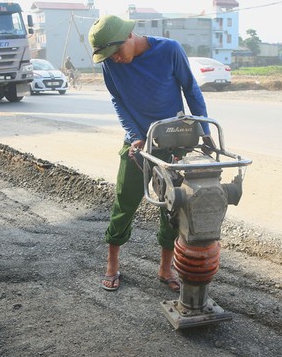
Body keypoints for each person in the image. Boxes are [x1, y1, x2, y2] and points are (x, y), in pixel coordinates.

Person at [89, 15, 213, 292]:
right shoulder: (110, 63)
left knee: (172, 207)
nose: (116, 59)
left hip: (174, 140)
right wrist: (135, 137)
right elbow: (118, 101)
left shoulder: (169, 50)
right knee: (125, 203)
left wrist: (205, 131)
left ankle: (165, 267)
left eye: (117, 51)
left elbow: (191, 91)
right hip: (137, 145)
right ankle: (112, 265)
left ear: (130, 36)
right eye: (109, 55)